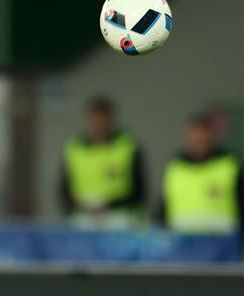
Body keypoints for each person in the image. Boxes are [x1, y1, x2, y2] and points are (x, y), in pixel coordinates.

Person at [60, 97, 146, 228]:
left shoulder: (127, 146)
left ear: (111, 119)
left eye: (103, 118)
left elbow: (139, 189)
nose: (99, 123)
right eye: (96, 118)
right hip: (84, 218)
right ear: (88, 119)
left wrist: (110, 205)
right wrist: (78, 204)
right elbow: (64, 188)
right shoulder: (75, 148)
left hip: (119, 218)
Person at [160, 114, 242, 234]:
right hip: (182, 240)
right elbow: (164, 204)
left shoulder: (230, 164)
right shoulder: (175, 166)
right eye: (196, 139)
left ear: (213, 138)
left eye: (204, 139)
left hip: (222, 241)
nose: (200, 143)